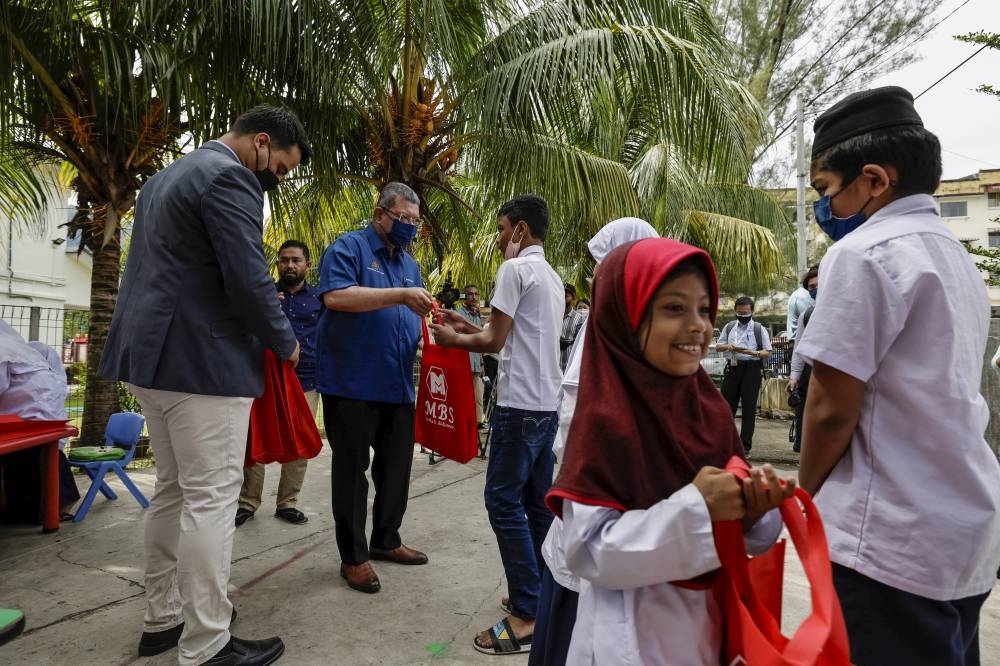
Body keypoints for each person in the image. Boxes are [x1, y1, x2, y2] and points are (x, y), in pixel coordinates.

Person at [98, 105, 310, 666]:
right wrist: (285, 341)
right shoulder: (230, 176)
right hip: (205, 362)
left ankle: (163, 620)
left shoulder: (164, 179)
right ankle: (207, 642)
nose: (277, 179)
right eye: (281, 168)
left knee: (172, 491)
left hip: (152, 362)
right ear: (261, 142)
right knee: (212, 500)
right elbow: (247, 276)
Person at [796, 86, 1000, 666]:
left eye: (825, 191)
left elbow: (831, 408)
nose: (824, 208)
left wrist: (804, 497)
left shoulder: (864, 254)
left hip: (887, 536)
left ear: (876, 180)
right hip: (963, 527)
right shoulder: (953, 254)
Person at [545, 238, 793, 664]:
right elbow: (587, 550)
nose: (698, 325)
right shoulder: (605, 419)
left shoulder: (709, 409)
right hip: (630, 635)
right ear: (625, 318)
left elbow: (737, 531)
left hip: (708, 624)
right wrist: (697, 508)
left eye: (704, 309)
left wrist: (753, 510)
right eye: (675, 309)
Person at [430, 194, 563, 655]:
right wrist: (465, 324)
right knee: (536, 505)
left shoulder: (514, 269)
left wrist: (451, 337)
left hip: (519, 408)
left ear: (521, 230)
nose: (501, 238)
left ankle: (526, 613)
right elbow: (511, 337)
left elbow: (494, 340)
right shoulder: (551, 276)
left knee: (502, 503)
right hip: (546, 406)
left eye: (504, 229)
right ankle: (543, 594)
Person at [530, 217, 657, 666]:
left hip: (603, 498)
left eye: (603, 264)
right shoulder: (618, 319)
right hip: (591, 500)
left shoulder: (619, 323)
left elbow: (576, 411)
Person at [316, 182, 433, 595]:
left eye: (415, 222)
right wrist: (399, 295)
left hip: (396, 381)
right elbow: (336, 298)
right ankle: (354, 557)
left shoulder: (409, 264)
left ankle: (387, 539)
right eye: (404, 219)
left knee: (396, 468)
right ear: (380, 213)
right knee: (352, 471)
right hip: (352, 381)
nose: (409, 228)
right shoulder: (349, 249)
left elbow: (410, 318)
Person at [236, 240, 322, 528]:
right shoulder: (264, 295)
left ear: (307, 265)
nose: (290, 265)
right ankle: (247, 503)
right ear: (278, 264)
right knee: (255, 439)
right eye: (284, 260)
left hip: (305, 380)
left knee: (299, 443)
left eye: (296, 260)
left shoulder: (320, 299)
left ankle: (288, 503)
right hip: (262, 380)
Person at [0, 324, 80, 523]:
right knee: (25, 460)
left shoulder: (4, 349)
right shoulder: (19, 349)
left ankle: (38, 512)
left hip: (31, 422)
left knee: (23, 459)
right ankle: (33, 511)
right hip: (41, 420)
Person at [716, 297, 771, 453]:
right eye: (739, 313)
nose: (742, 316)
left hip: (751, 368)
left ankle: (744, 446)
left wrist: (753, 352)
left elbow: (768, 352)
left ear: (752, 311)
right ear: (736, 311)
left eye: (745, 313)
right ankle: (725, 443)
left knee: (748, 409)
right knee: (726, 408)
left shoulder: (759, 329)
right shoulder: (730, 326)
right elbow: (719, 346)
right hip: (733, 367)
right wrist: (728, 346)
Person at [456, 284, 487, 429]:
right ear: (465, 296)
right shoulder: (459, 314)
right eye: (470, 294)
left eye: (476, 294)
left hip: (475, 366)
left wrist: (481, 365)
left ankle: (474, 433)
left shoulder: (477, 315)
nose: (474, 297)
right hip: (462, 366)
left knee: (477, 400)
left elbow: (480, 341)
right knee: (462, 402)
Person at [785, 304, 815, 454]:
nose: (815, 289)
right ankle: (801, 445)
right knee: (802, 409)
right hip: (809, 370)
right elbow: (799, 347)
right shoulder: (807, 314)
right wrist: (794, 377)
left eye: (817, 285)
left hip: (836, 369)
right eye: (811, 287)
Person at [785, 265, 818, 341]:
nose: (816, 288)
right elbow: (812, 325)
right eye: (812, 286)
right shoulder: (803, 297)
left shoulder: (796, 294)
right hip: (802, 342)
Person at [559, 284, 587, 370]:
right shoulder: (553, 315)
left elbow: (581, 344)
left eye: (566, 296)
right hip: (552, 368)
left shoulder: (579, 319)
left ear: (574, 298)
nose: (563, 298)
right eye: (561, 295)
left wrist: (569, 342)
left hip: (569, 367)